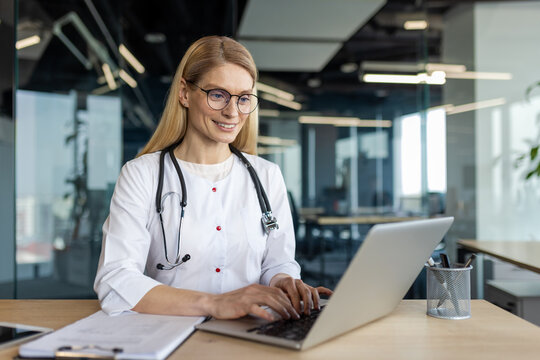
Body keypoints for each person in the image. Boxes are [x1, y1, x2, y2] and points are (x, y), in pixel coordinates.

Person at [94, 35, 332, 321]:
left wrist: (283, 280)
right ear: (184, 93)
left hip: (252, 331)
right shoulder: (142, 175)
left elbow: (278, 261)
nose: (232, 112)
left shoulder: (267, 176)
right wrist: (214, 304)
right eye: (218, 95)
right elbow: (116, 279)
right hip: (170, 332)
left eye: (244, 98)